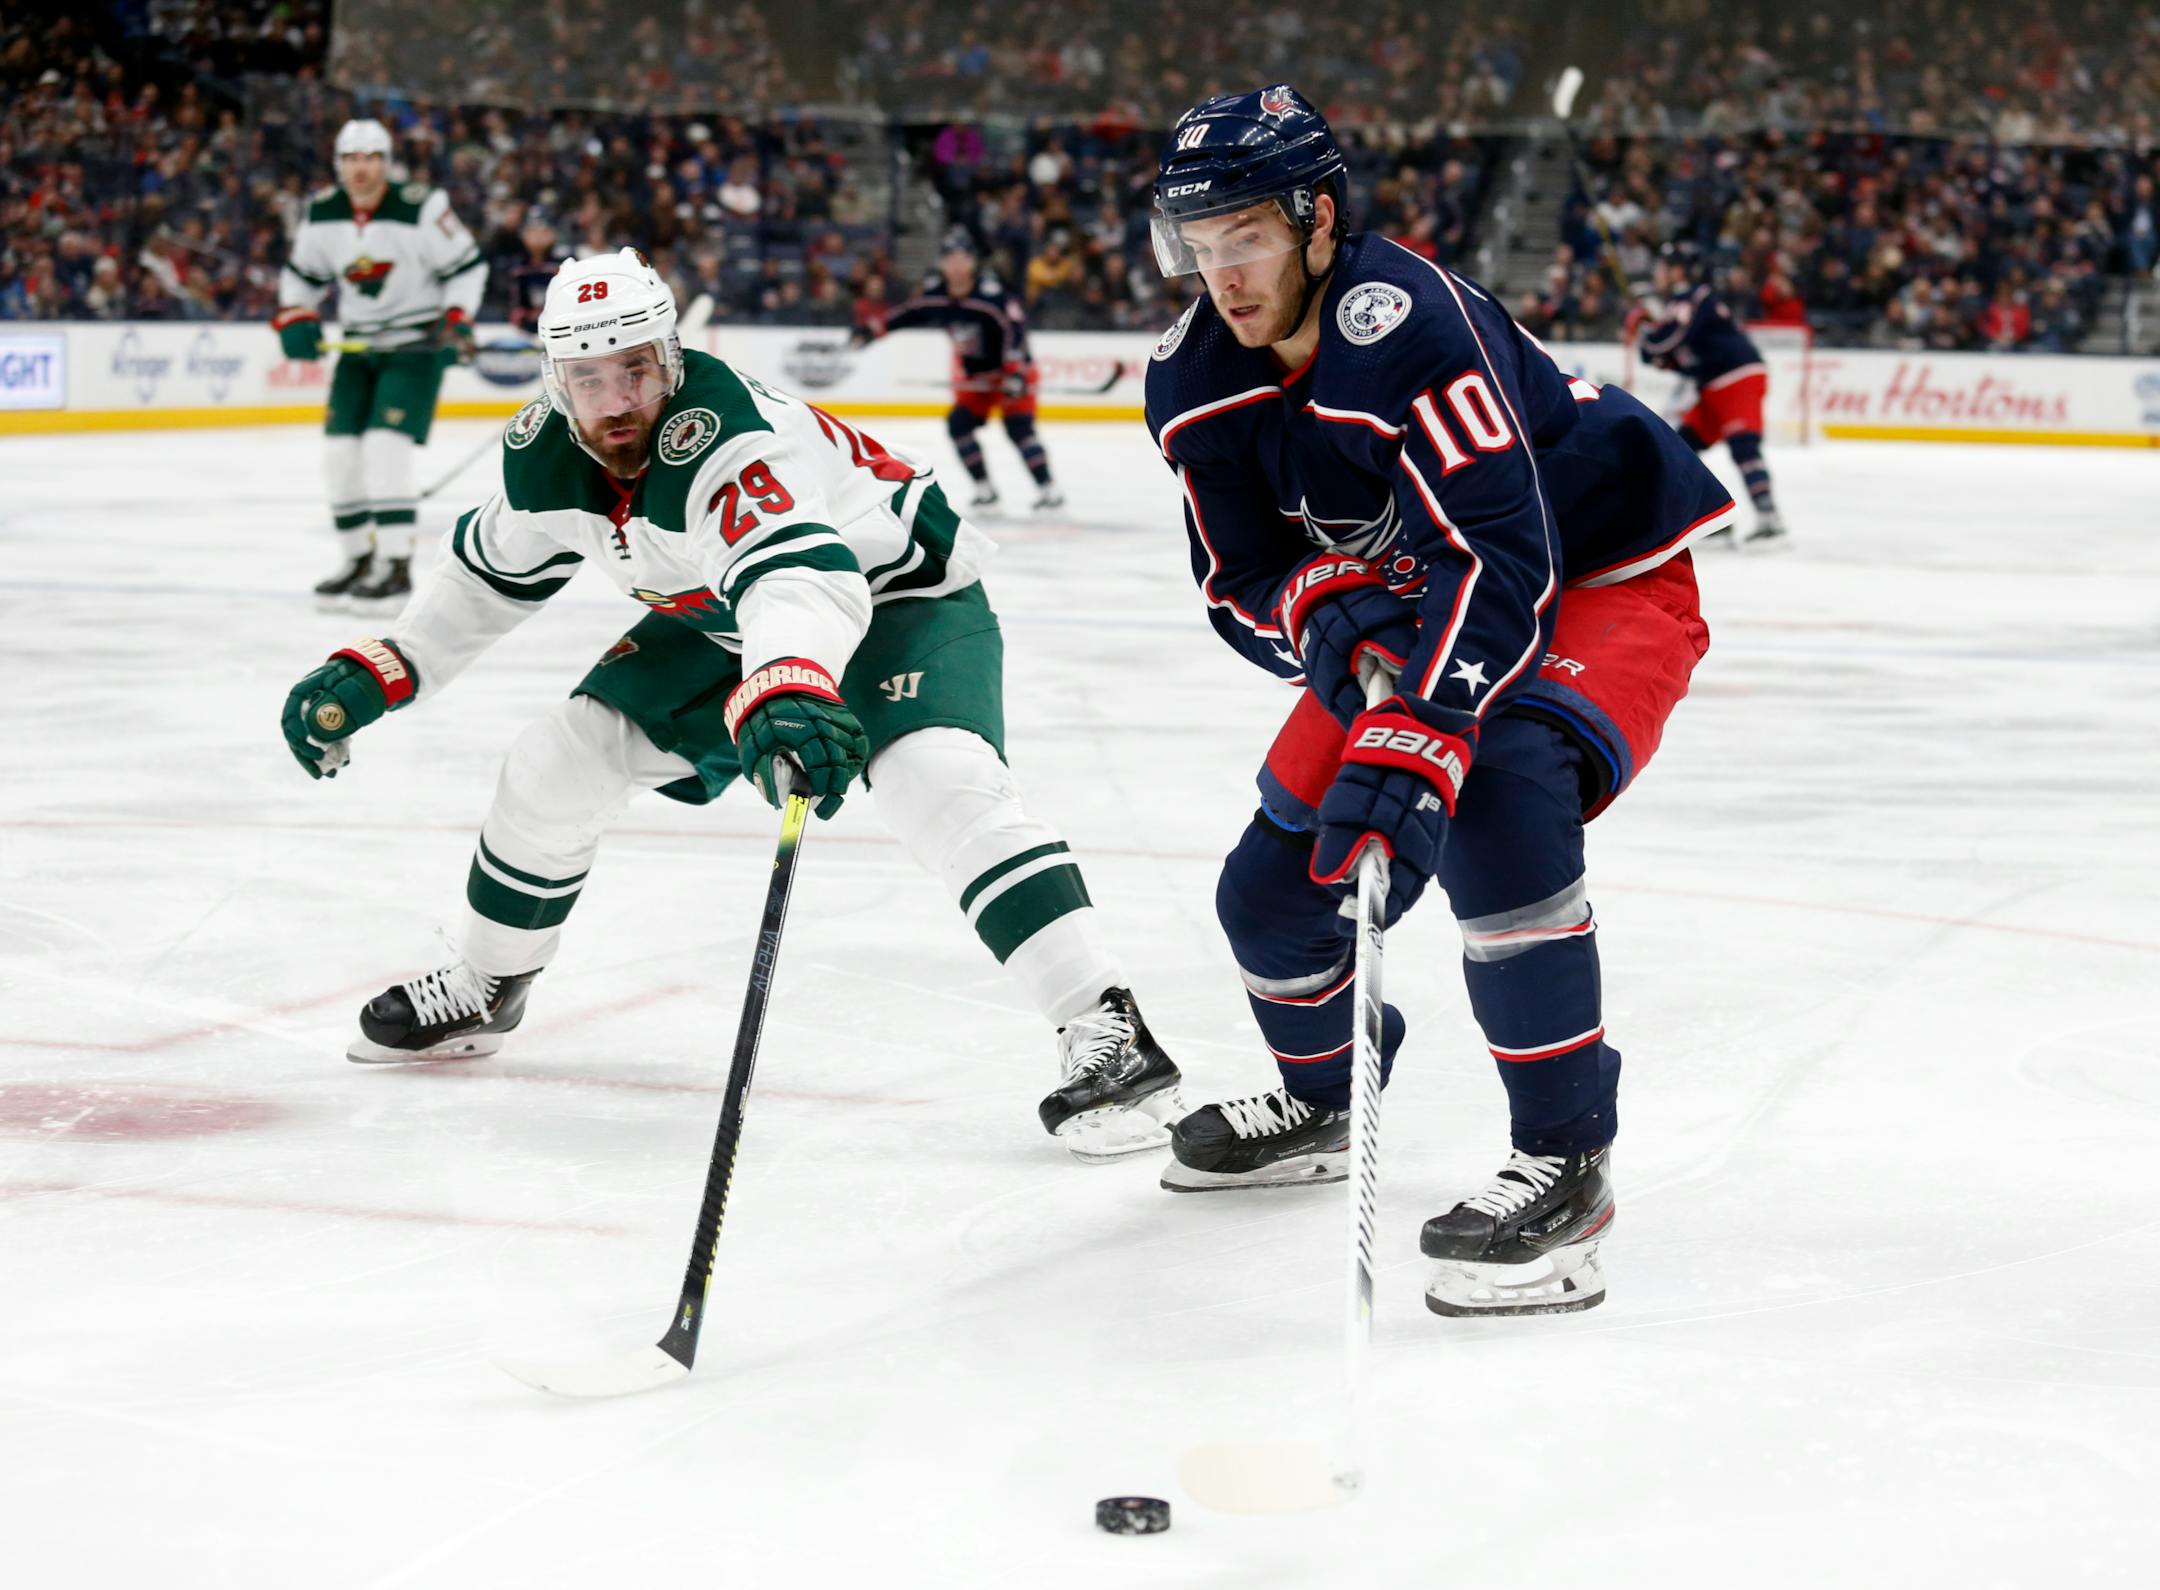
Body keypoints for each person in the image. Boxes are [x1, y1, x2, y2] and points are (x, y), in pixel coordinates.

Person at [278, 248, 1182, 1164]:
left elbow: (801, 578)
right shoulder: (545, 451)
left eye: (635, 368)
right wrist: (384, 665)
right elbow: (489, 575)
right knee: (560, 760)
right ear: (557, 383)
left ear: (669, 359)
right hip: (722, 622)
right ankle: (489, 982)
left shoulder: (732, 437)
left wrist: (785, 683)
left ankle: (1108, 1030)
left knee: (933, 783)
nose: (619, 399)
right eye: (590, 379)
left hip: (896, 599)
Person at [1143, 87, 1733, 1316]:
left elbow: (1504, 558)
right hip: (1428, 591)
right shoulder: (1194, 376)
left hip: (1596, 571)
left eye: (1244, 236)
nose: (1221, 276)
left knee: (1494, 788)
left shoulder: (1405, 320)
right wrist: (1320, 608)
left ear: (1317, 219)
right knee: (1269, 895)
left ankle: (1568, 1159)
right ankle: (1323, 1096)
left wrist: (1426, 729)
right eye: (1197, 247)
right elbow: (1234, 579)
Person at [273, 118, 490, 609]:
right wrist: (297, 316)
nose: (361, 169)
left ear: (386, 162)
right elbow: (302, 278)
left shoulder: (422, 206)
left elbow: (467, 267)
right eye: (351, 159)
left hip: (415, 344)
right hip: (358, 347)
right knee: (340, 454)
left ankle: (393, 562)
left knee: (384, 447)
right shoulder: (323, 212)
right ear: (338, 165)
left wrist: (457, 318)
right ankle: (356, 557)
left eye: (370, 158)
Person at [851, 229, 1062, 513]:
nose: (957, 266)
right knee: (958, 424)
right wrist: (872, 330)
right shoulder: (937, 296)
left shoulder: (991, 297)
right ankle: (984, 489)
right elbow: (908, 313)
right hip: (976, 380)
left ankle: (1048, 489)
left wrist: (1015, 372)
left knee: (1019, 429)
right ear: (943, 264)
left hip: (1012, 373)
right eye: (951, 259)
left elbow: (1016, 331)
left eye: (963, 259)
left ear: (972, 264)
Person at [1628, 243, 1789, 547]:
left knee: (1744, 446)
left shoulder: (1694, 298)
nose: (1657, 273)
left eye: (1663, 267)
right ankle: (1714, 522)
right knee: (1682, 448)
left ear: (1678, 271)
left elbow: (1667, 341)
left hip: (1735, 377)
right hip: (1713, 384)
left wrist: (1648, 336)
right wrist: (1654, 341)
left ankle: (1771, 521)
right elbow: (1667, 354)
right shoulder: (1681, 304)